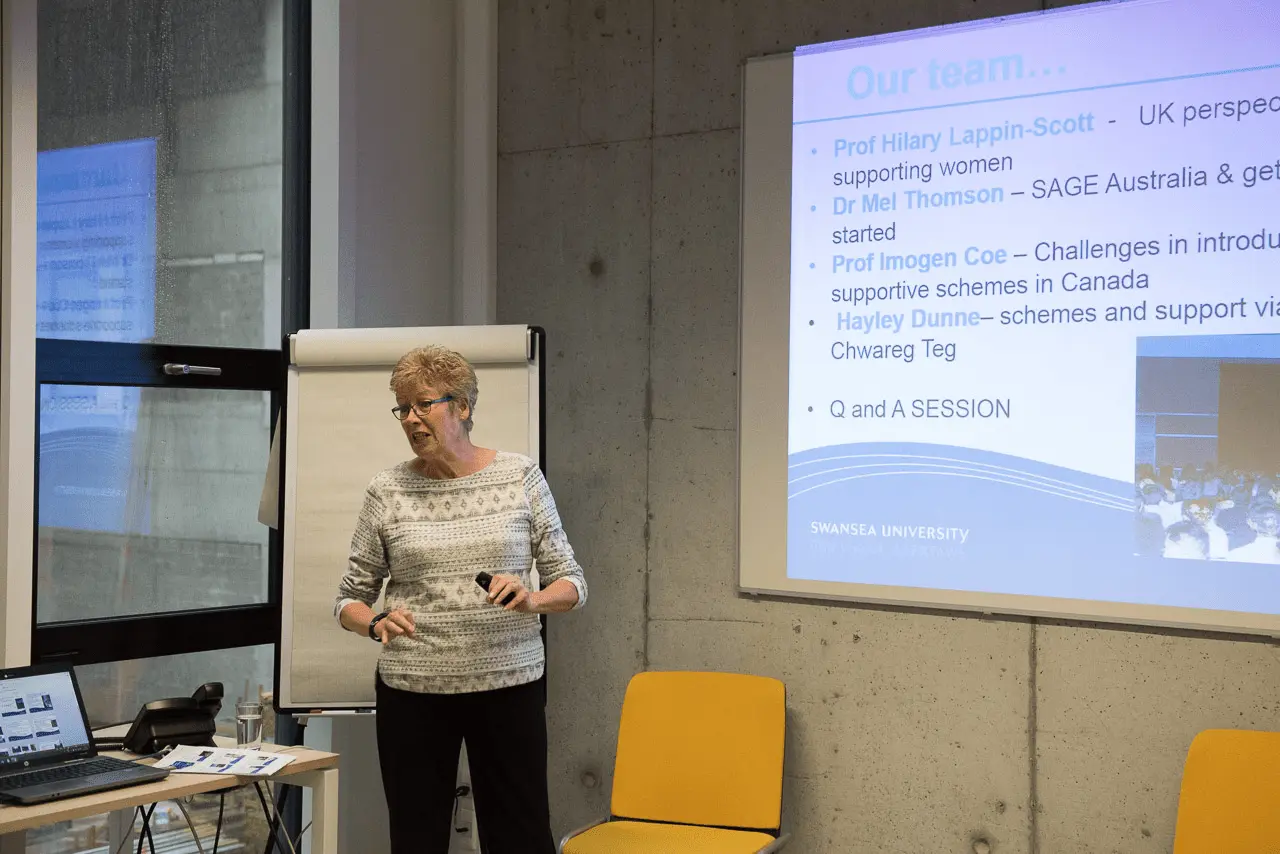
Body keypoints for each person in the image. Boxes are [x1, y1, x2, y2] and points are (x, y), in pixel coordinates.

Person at [333, 345, 586, 854]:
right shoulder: (387, 491)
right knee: (416, 839)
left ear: (463, 406)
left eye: (423, 404)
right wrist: (374, 622)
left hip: (508, 684)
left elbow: (572, 582)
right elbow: (348, 600)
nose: (411, 418)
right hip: (414, 691)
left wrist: (533, 600)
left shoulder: (520, 476)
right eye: (403, 408)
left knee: (520, 838)